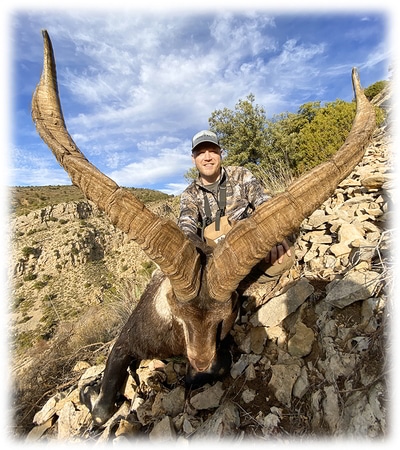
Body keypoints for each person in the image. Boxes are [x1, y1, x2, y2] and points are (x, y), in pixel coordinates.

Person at [178, 130, 294, 283]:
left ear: (221, 153)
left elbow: (264, 204)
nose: (207, 158)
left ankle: (247, 282)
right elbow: (185, 228)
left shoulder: (241, 174)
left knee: (282, 260)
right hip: (218, 258)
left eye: (213, 151)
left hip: (251, 243)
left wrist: (274, 236)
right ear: (193, 159)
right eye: (200, 153)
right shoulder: (189, 194)